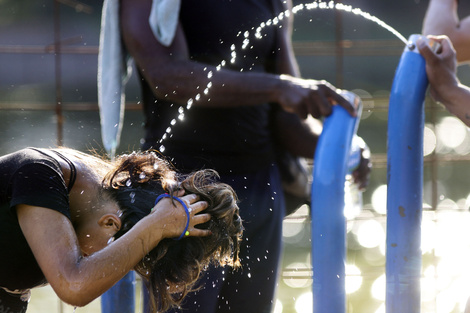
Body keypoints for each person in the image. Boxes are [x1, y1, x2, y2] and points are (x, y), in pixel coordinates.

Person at [118, 1, 369, 312]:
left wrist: (342, 147)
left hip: (260, 188)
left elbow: (288, 118)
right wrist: (279, 88)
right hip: (184, 192)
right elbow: (167, 77)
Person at [0, 147, 243, 313]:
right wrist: (156, 226)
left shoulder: (87, 191)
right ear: (110, 224)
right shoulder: (40, 173)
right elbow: (74, 285)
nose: (105, 265)